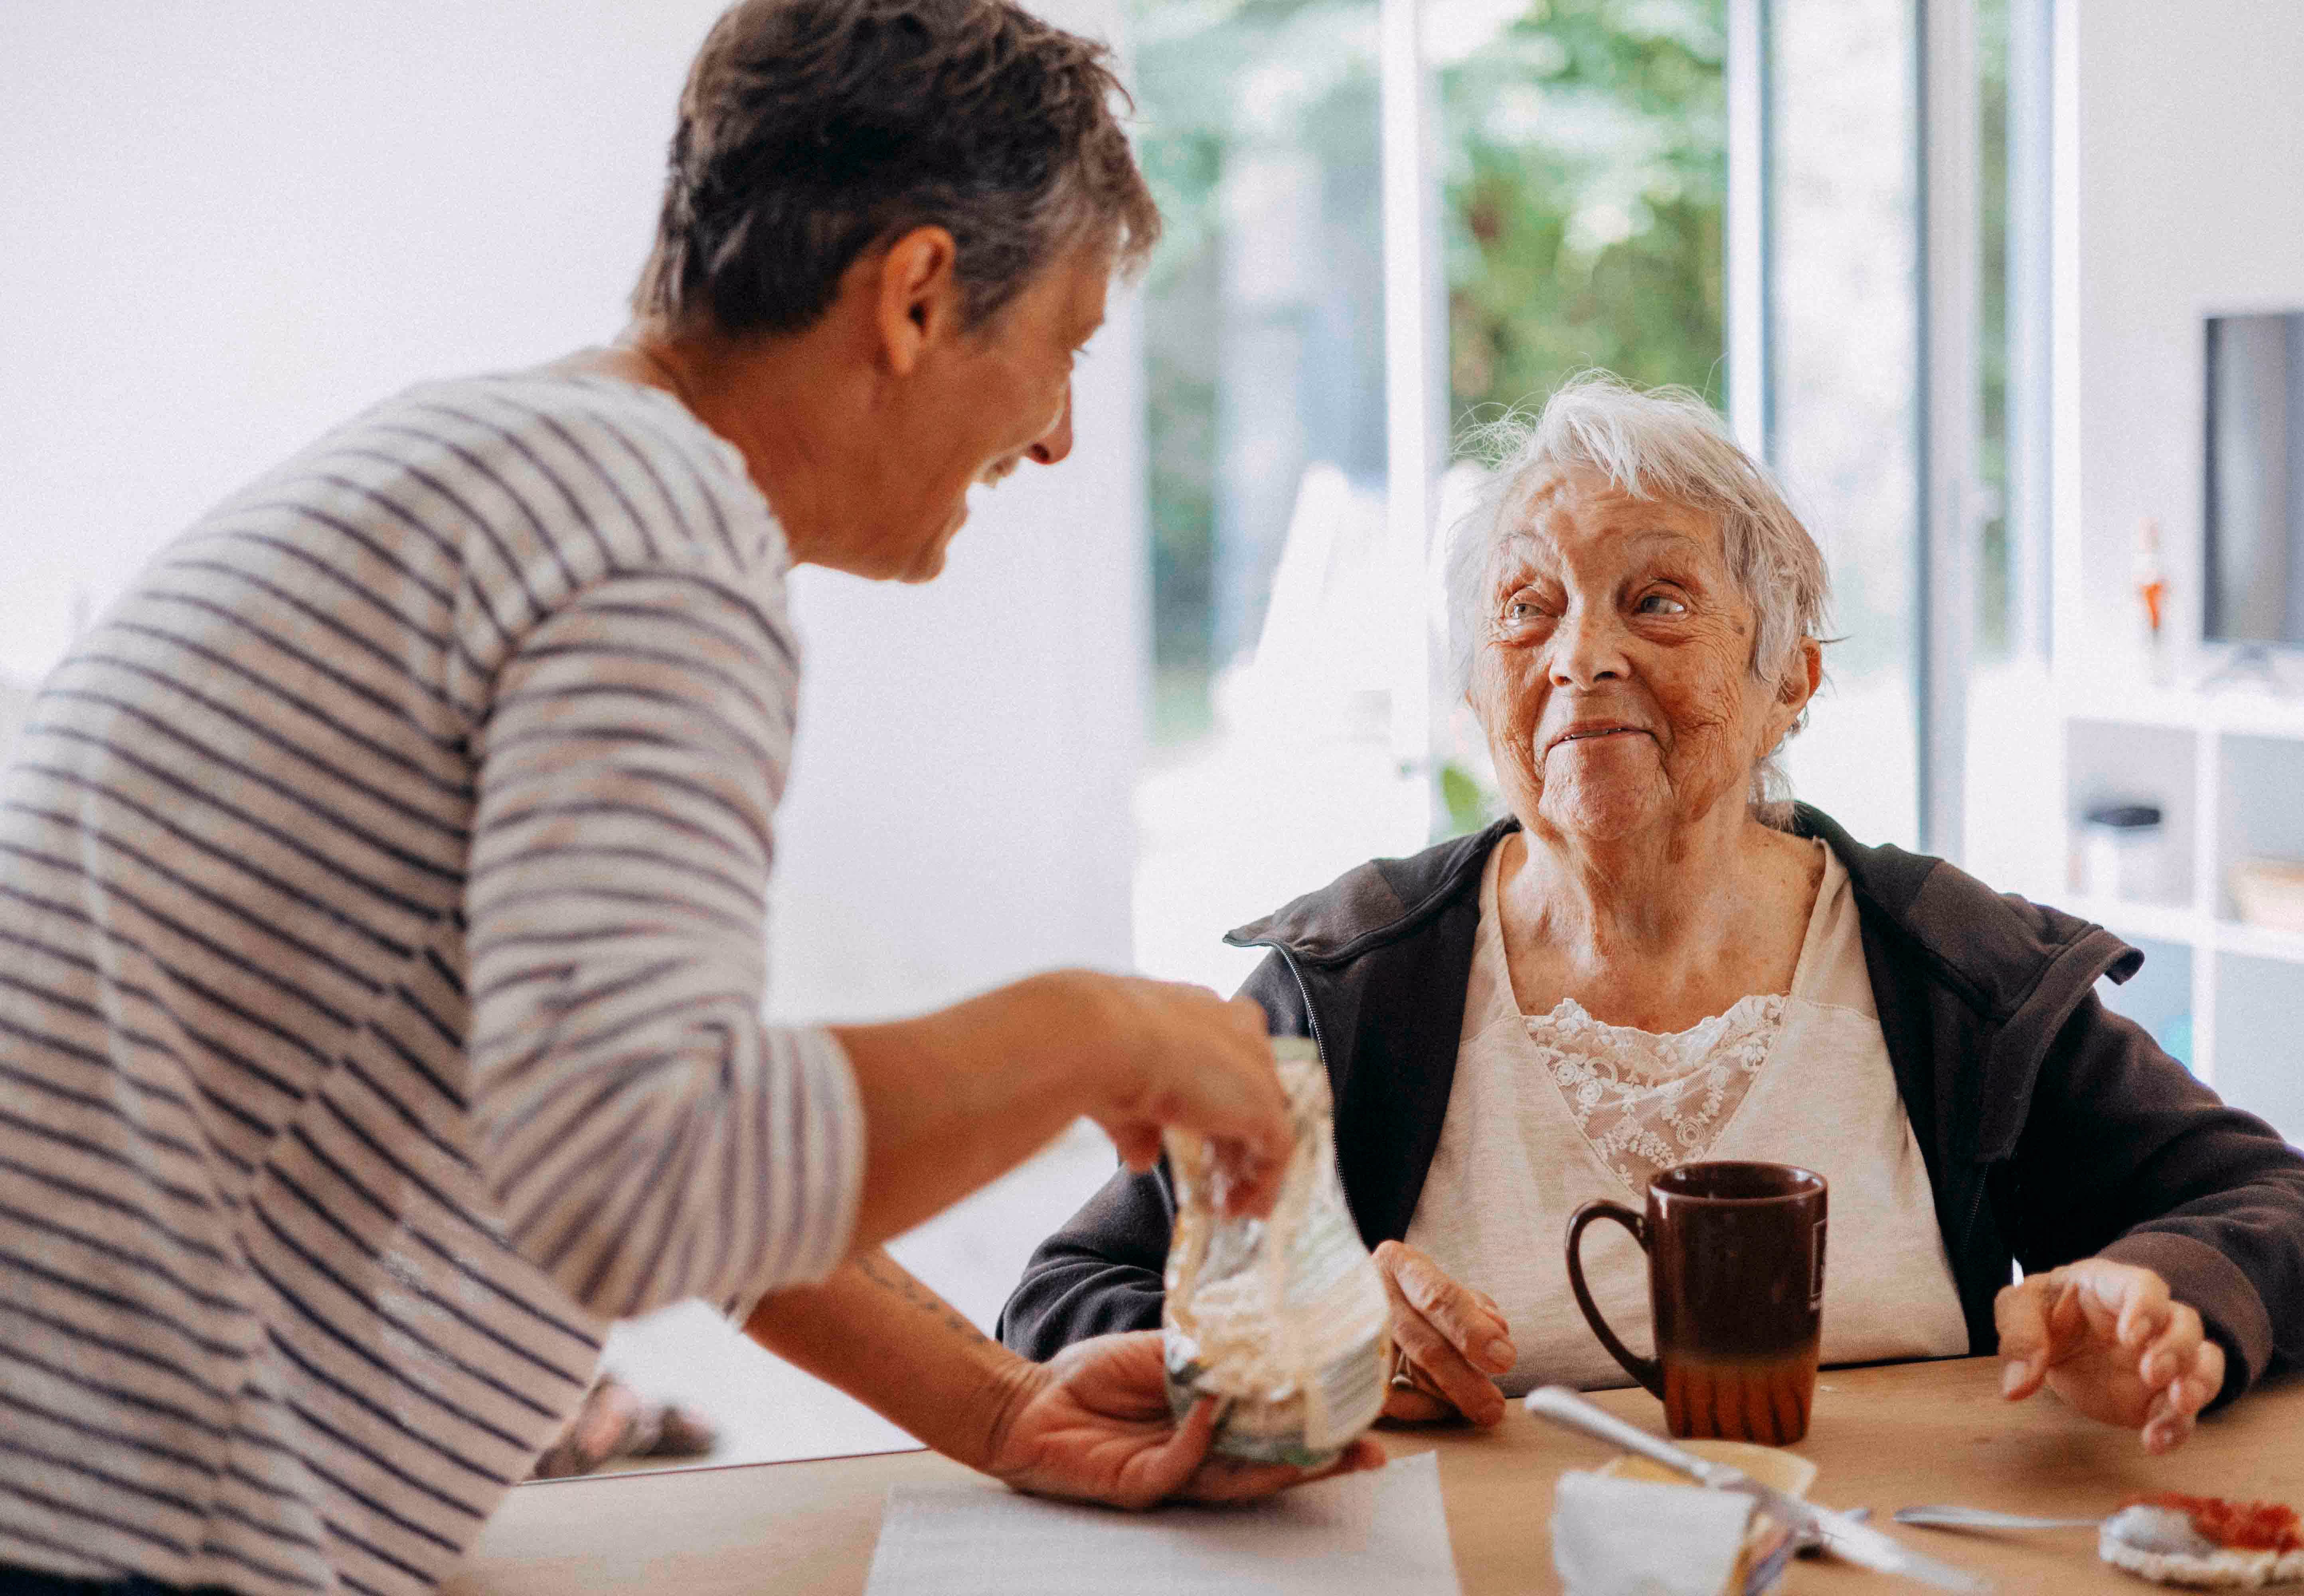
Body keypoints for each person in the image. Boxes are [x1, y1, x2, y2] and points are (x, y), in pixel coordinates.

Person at [0, 3, 1379, 1592]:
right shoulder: (657, 546)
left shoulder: (507, 467)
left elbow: (646, 1112)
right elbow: (645, 1176)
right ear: (920, 296)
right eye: (1063, 343)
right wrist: (1097, 1029)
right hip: (119, 1539)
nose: (1060, 434)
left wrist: (1003, 1408)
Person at [1002, 373, 2304, 1455]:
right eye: (1525, 612)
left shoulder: (1949, 972)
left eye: (1656, 600)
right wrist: (1293, 1327)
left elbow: (2293, 1214)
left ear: (1792, 677)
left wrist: (2162, 1293)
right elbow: (1067, 1302)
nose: (1580, 656)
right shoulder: (1354, 985)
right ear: (1480, 692)